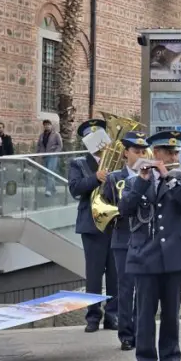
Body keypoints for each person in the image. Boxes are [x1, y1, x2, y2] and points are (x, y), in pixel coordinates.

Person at [118, 130, 181, 361]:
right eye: (168, 152)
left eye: (176, 152)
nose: (174, 157)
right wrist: (143, 182)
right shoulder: (134, 181)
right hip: (146, 254)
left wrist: (169, 179)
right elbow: (125, 209)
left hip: (176, 253)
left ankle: (170, 360)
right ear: (156, 153)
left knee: (171, 312)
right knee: (145, 312)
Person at [68, 119, 118, 333]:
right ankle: (93, 316)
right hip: (91, 225)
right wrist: (96, 178)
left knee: (115, 273)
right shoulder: (79, 163)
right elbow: (75, 188)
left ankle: (113, 315)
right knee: (94, 274)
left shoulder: (117, 160)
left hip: (114, 223)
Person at [102, 130, 149, 351]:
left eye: (143, 151)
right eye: (136, 151)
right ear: (126, 153)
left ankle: (141, 331)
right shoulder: (114, 178)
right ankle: (126, 334)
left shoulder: (150, 176)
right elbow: (106, 204)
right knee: (125, 288)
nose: (140, 155)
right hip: (122, 238)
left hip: (145, 238)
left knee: (144, 290)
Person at [37, 119, 62, 196]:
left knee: (50, 172)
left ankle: (48, 190)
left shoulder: (56, 134)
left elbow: (60, 145)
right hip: (44, 156)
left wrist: (55, 153)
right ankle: (53, 189)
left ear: (51, 125)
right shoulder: (42, 135)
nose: (46, 126)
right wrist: (38, 154)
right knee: (47, 172)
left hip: (52, 156)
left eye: (48, 124)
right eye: (45, 125)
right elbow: (39, 145)